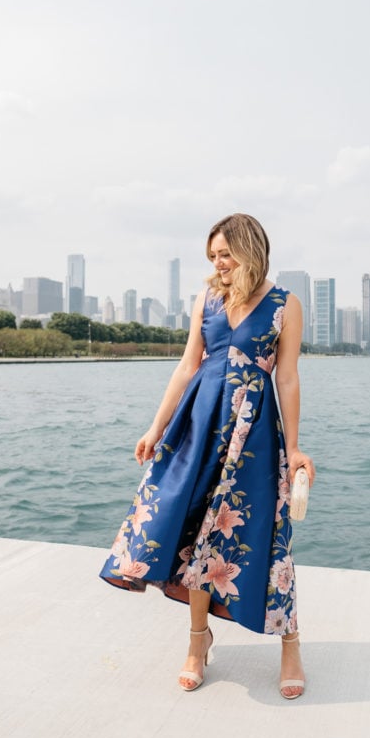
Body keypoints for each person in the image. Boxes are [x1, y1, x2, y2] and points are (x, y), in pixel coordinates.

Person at [99, 213, 315, 698]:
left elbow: (287, 378)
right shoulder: (208, 298)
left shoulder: (285, 304)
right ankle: (198, 642)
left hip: (255, 434)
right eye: (213, 256)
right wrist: (155, 428)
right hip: (198, 427)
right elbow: (187, 365)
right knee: (194, 531)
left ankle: (291, 644)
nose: (218, 263)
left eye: (225, 254)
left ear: (250, 251)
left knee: (267, 536)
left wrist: (295, 447)